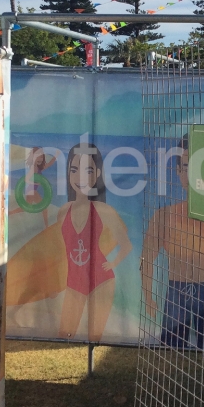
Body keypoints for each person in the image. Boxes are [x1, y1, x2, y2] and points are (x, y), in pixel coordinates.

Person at [141, 136, 204, 351]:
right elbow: (146, 257)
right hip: (176, 291)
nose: (192, 173)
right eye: (186, 166)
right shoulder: (164, 216)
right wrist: (147, 296)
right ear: (178, 172)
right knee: (171, 351)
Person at [57, 142, 133, 342]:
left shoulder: (103, 210)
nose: (80, 177)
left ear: (97, 173)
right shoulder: (63, 212)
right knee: (64, 334)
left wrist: (112, 264)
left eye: (88, 170)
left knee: (94, 337)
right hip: (74, 281)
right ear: (68, 173)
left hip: (101, 280)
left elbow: (126, 245)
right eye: (74, 170)